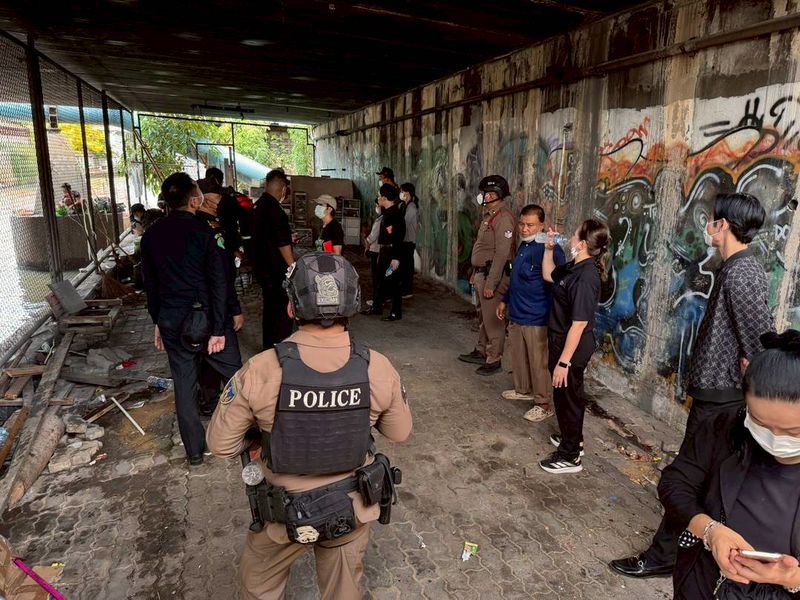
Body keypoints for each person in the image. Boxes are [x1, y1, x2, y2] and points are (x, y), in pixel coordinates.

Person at [206, 252, 412, 600]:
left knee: (258, 587)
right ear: (353, 305)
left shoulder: (260, 369)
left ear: (291, 308)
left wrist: (260, 436)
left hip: (282, 515)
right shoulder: (377, 367)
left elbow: (220, 445)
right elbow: (399, 432)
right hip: (350, 508)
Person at [612, 192, 773, 578]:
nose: (707, 226)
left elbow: (760, 343)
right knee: (701, 478)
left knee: (687, 477)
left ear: (724, 224)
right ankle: (685, 550)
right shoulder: (734, 267)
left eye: (713, 219)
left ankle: (665, 554)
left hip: (723, 401)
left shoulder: (743, 272)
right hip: (716, 396)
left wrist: (748, 370)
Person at [658, 330, 800, 599]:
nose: (774, 439)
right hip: (703, 584)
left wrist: (791, 578)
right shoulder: (725, 426)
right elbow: (675, 483)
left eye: (793, 432)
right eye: (760, 422)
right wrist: (710, 531)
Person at [140, 172, 243, 466]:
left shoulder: (151, 236)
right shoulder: (206, 233)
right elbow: (219, 282)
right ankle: (248, 434)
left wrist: (158, 322)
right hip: (206, 321)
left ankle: (195, 452)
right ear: (194, 201)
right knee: (239, 377)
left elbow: (151, 286)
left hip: (172, 321)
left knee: (184, 386)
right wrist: (220, 329)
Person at [538, 219, 609, 474]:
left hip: (572, 345)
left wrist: (563, 362)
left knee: (567, 396)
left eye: (575, 234)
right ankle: (573, 438)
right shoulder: (574, 267)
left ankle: (570, 456)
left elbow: (578, 325)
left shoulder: (586, 277)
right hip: (562, 340)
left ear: (582, 244)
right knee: (568, 395)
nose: (569, 237)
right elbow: (548, 274)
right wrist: (548, 250)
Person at [497, 204, 566, 422]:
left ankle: (543, 404)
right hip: (517, 313)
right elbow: (516, 278)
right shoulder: (524, 245)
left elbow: (559, 282)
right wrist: (504, 301)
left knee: (538, 363)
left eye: (530, 225)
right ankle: (523, 390)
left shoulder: (550, 249)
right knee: (519, 357)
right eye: (522, 224)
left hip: (537, 317)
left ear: (542, 225)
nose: (524, 229)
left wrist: (554, 315)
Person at [457, 175, 515, 375]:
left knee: (493, 320)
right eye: (484, 193)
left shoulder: (503, 218)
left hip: (493, 275)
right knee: (483, 315)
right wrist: (476, 273)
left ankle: (494, 358)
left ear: (497, 195)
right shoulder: (490, 215)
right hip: (483, 273)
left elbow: (501, 254)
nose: (484, 196)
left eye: (488, 193)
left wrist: (491, 283)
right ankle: (482, 350)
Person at [251, 169, 296, 350]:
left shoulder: (257, 207)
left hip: (262, 268)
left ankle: (268, 347)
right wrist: (292, 266)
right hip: (276, 271)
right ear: (283, 189)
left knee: (269, 310)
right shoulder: (276, 211)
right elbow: (282, 243)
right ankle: (281, 348)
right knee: (282, 311)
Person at [362, 184, 405, 322]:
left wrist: (396, 258)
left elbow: (397, 237)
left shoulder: (394, 215)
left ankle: (395, 312)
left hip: (391, 253)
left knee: (392, 282)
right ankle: (376, 307)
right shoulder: (387, 213)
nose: (378, 198)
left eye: (379, 196)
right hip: (385, 251)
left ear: (385, 198)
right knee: (380, 280)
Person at [399, 183, 420, 299]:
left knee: (407, 267)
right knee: (404, 266)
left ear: (408, 193)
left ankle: (407, 290)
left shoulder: (411, 207)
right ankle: (404, 288)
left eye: (402, 191)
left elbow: (404, 223)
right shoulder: (404, 205)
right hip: (405, 241)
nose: (401, 193)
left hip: (409, 241)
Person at [364, 199, 383, 307]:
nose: (376, 207)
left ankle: (377, 300)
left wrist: (366, 244)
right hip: (381, 250)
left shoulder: (380, 220)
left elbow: (372, 237)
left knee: (376, 276)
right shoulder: (385, 218)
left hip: (376, 251)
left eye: (377, 205)